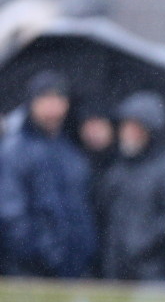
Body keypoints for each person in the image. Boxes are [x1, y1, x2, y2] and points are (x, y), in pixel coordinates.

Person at [0, 70, 96, 278]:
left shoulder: (71, 152)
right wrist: (44, 254)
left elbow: (81, 209)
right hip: (28, 273)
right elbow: (11, 215)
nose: (53, 108)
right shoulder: (14, 150)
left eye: (59, 99)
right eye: (46, 99)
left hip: (71, 273)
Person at [93, 91, 165, 281]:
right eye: (126, 126)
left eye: (136, 127)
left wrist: (142, 242)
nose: (128, 133)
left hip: (152, 271)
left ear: (150, 131)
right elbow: (104, 212)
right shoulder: (117, 169)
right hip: (114, 269)